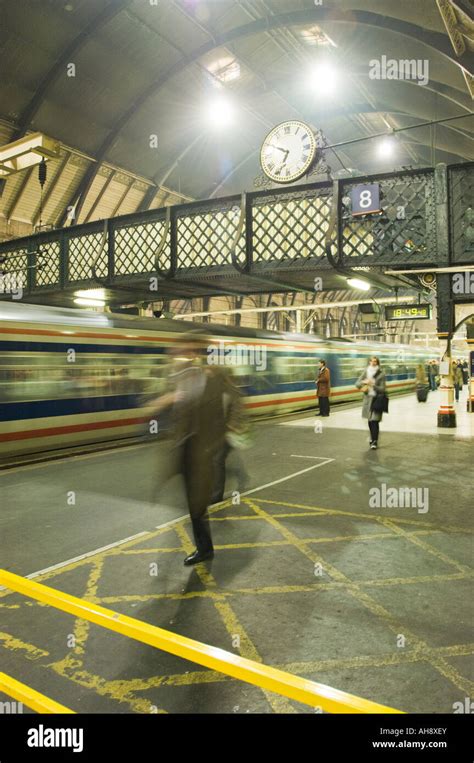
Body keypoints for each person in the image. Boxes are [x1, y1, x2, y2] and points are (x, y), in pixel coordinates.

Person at [145, 333, 228, 566]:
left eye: (183, 351)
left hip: (201, 452)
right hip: (183, 449)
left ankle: (205, 549)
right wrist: (164, 402)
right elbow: (171, 410)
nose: (177, 355)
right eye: (176, 352)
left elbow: (222, 416)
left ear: (195, 353)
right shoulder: (177, 379)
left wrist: (212, 449)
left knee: (197, 504)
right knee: (193, 504)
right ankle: (202, 544)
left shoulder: (212, 378)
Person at [356, 356, 386, 449]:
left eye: (375, 361)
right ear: (369, 362)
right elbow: (357, 384)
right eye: (372, 361)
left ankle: (375, 441)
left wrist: (373, 385)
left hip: (377, 399)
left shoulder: (381, 374)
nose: (373, 363)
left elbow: (382, 389)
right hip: (367, 400)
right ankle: (372, 437)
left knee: (375, 421)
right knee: (370, 421)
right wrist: (364, 382)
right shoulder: (366, 372)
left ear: (377, 363)